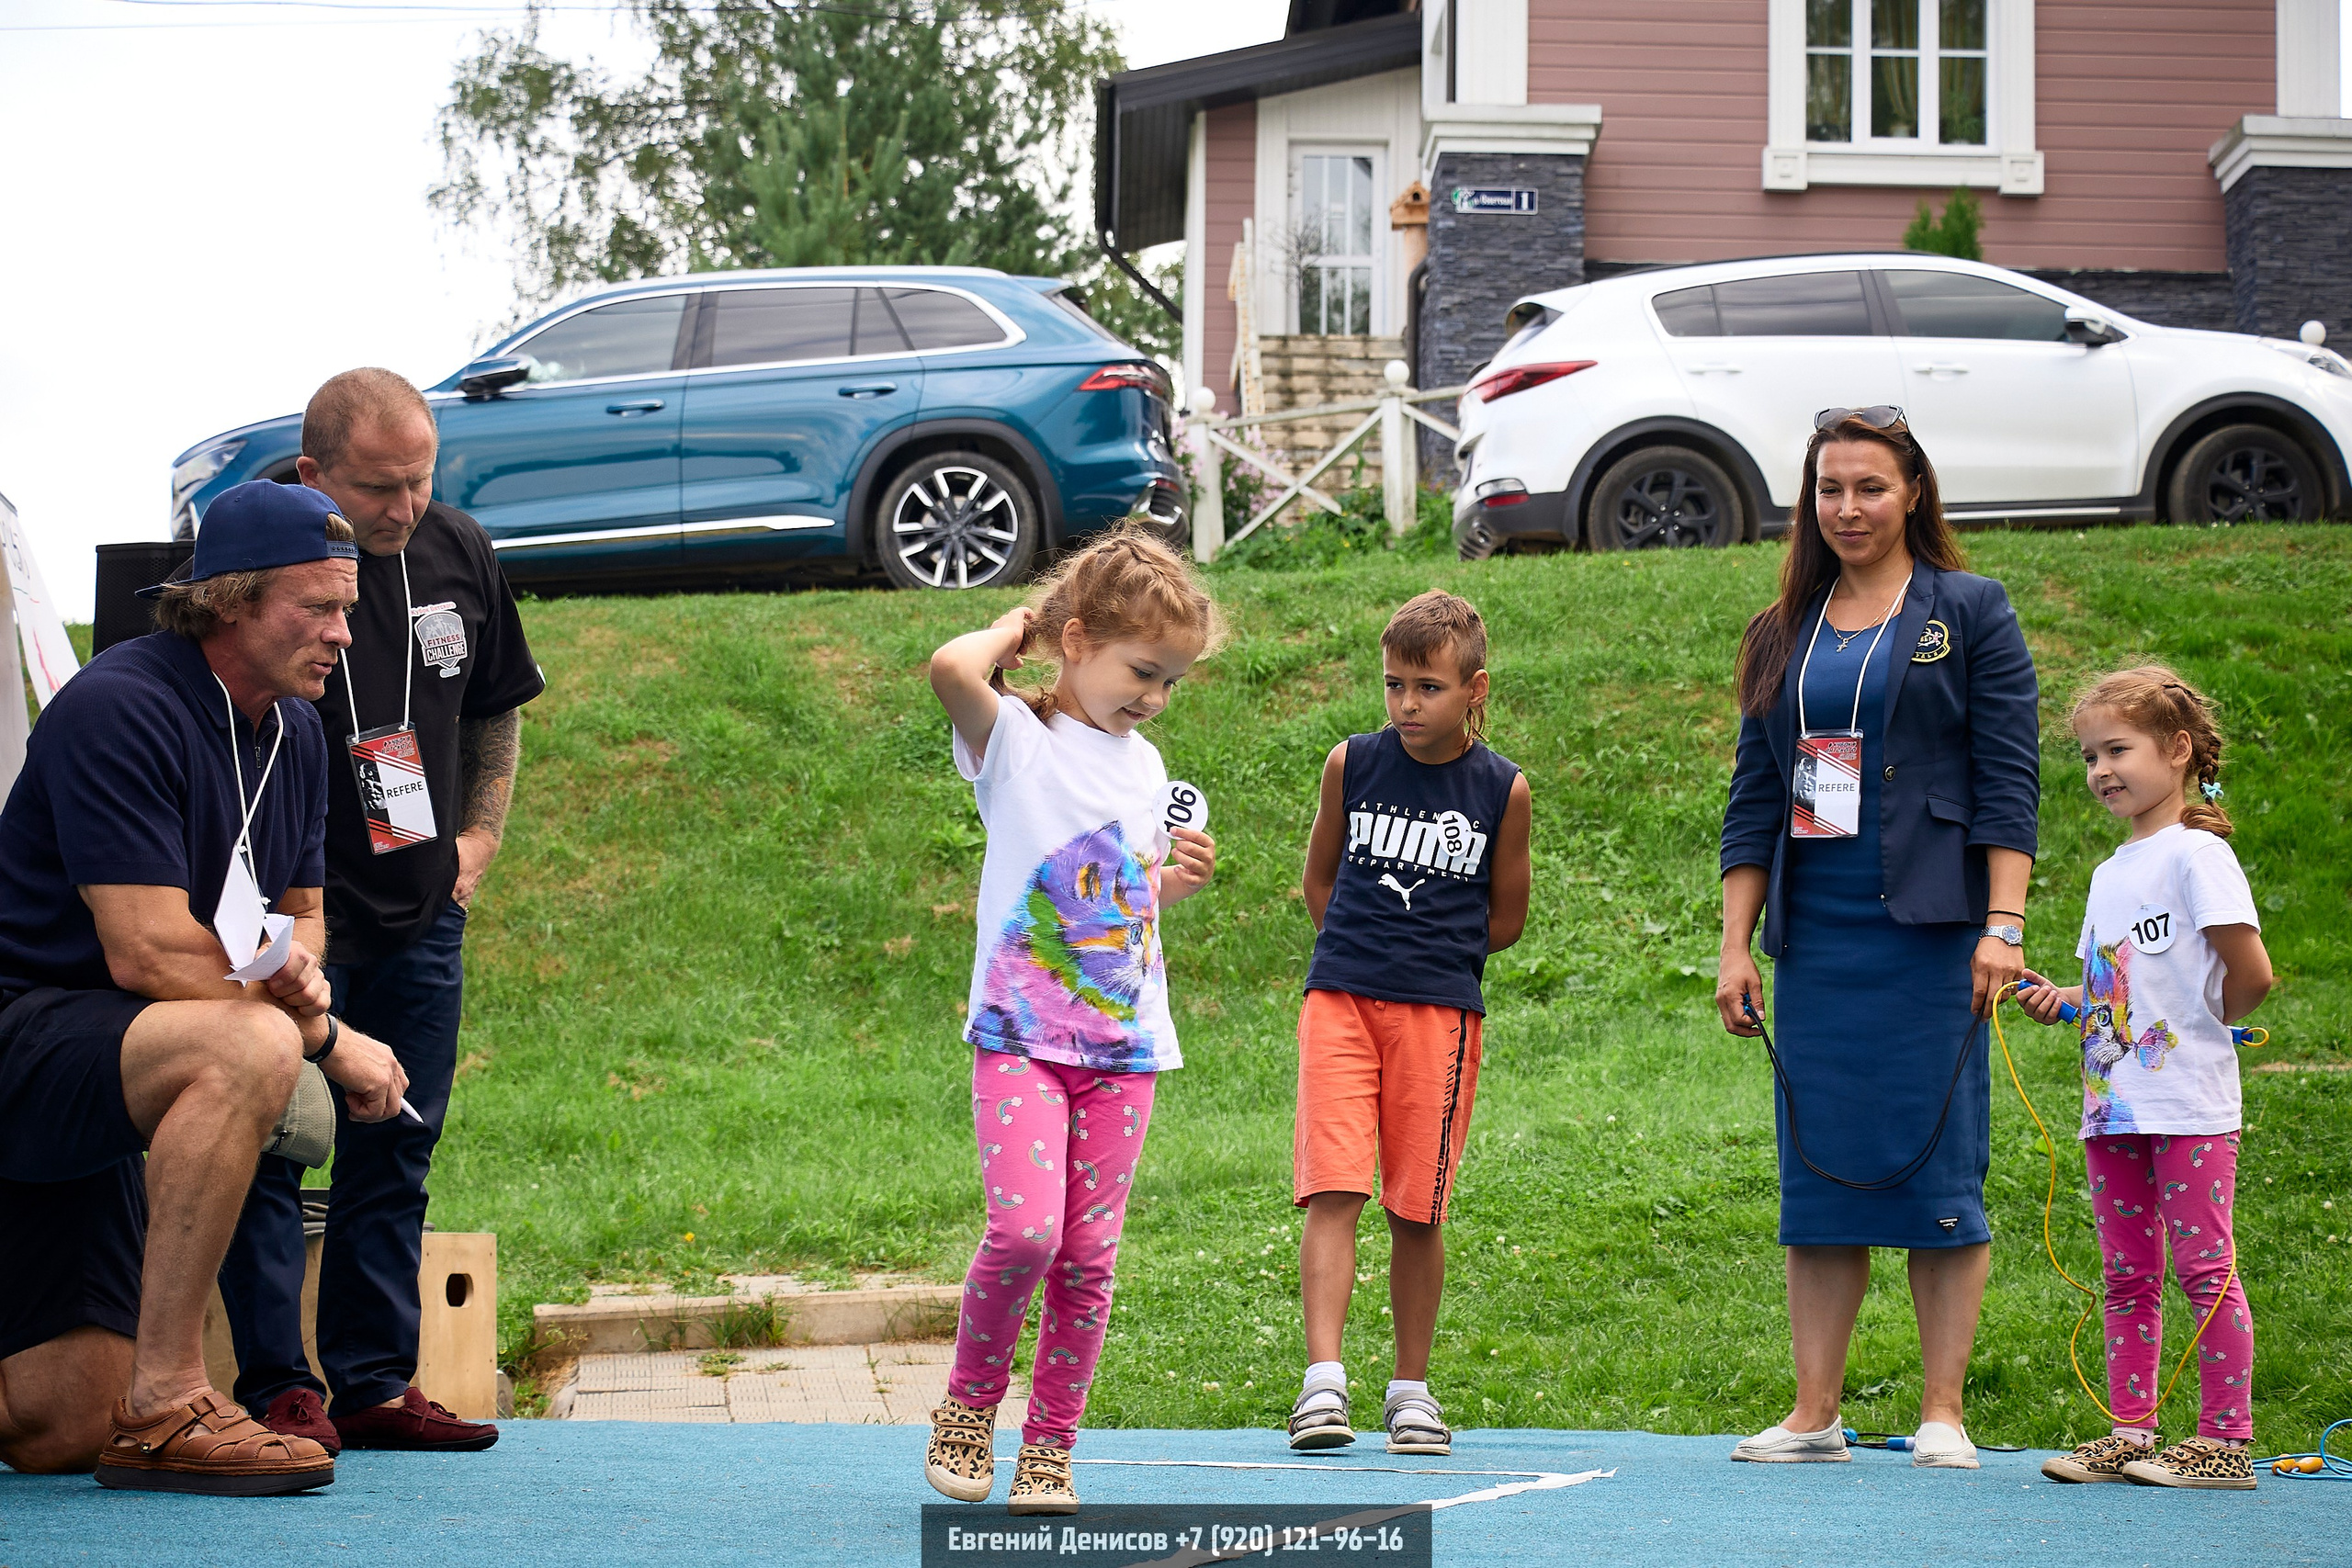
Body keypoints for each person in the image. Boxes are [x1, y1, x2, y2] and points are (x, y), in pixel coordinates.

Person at [0, 481, 409, 1493]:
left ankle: (127, 1404)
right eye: (316, 607)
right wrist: (321, 1036)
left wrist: (306, 997)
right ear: (229, 600)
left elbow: (302, 914)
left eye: (346, 608)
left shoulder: (297, 731)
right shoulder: (120, 705)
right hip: (29, 1036)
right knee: (251, 1047)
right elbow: (147, 952)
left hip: (109, 1079)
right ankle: (171, 1398)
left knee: (58, 1427)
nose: (341, 634)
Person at [219, 369, 541, 1455]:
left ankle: (369, 1379)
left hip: (419, 909)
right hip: (285, 919)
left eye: (420, 480)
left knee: (397, 1139)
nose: (403, 509)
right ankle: (277, 1387)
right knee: (272, 1138)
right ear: (315, 476)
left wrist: (481, 839)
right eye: (376, 488)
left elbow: (495, 711)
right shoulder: (254, 546)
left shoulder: (458, 549)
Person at [1714, 407, 2040, 1470]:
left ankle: (1943, 1412)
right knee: (1820, 1178)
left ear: (1912, 494)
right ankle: (1815, 1414)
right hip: (1819, 934)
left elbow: (2007, 779)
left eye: (1868, 487)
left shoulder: (1970, 611)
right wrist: (1736, 943)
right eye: (1828, 490)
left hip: (1934, 930)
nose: (1846, 508)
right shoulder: (1782, 630)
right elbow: (1757, 792)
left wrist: (2004, 924)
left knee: (1939, 1170)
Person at [920, 526, 1222, 1515]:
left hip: (1122, 1047)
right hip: (1020, 1038)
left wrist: (1164, 887)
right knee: (1022, 1236)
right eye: (1142, 670)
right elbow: (948, 665)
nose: (1153, 697)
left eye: (1170, 681)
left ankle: (1049, 1448)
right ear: (1078, 639)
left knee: (1089, 1261)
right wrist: (1025, 623)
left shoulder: (1146, 766)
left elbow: (1109, 898)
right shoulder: (1013, 739)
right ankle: (969, 1409)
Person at [1286, 591, 1531, 1457]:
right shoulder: (1350, 763)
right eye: (1394, 685)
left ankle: (1411, 1390)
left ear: (1474, 688)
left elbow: (1506, 918)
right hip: (1341, 999)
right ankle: (1323, 1384)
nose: (1406, 705)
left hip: (1441, 1016)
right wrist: (1364, 952)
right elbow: (1320, 881)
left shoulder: (1503, 788)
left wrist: (1430, 957)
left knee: (1416, 1205)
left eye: (1427, 686)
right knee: (1335, 1185)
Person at [2020, 666, 2272, 1490]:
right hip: (2113, 1111)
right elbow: (2112, 984)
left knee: (2205, 1267)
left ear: (2178, 749)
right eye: (2088, 755)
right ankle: (2132, 1429)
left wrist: (2210, 1026)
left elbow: (2251, 973)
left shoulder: (2199, 856)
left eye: (2116, 749)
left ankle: (2223, 1442)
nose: (2099, 770)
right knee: (2128, 1276)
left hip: (2191, 1105)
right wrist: (2066, 999)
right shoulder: (2108, 874)